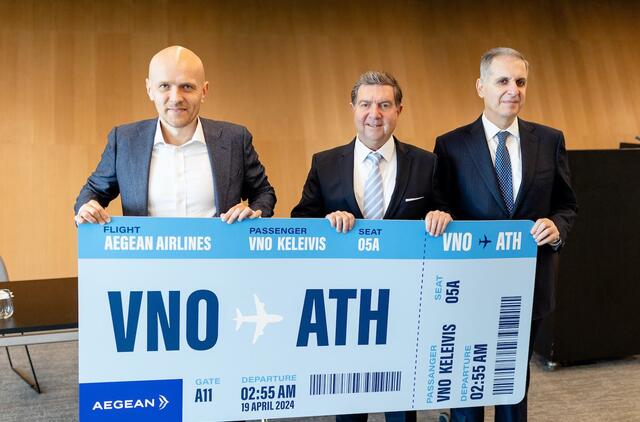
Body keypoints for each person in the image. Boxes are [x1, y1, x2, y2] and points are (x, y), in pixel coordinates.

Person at [292, 71, 452, 422]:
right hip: (345, 302)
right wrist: (327, 222)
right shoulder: (325, 163)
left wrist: (442, 215)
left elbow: (444, 210)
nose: (374, 114)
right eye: (365, 104)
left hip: (406, 300)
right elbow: (301, 220)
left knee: (401, 400)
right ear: (353, 108)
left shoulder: (426, 164)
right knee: (349, 401)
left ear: (399, 110)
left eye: (384, 105)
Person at [434, 47, 578, 422]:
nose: (513, 89)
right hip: (469, 286)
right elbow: (440, 205)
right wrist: (439, 215)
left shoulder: (550, 140)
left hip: (528, 284)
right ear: (480, 87)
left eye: (520, 81)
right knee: (466, 378)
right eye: (502, 81)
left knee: (512, 381)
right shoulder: (450, 145)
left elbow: (566, 204)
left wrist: (556, 227)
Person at [74, 46, 275, 223]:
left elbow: (263, 193)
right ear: (150, 89)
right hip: (147, 255)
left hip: (219, 255)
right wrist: (88, 207)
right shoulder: (124, 141)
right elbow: (92, 192)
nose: (176, 98)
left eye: (187, 86)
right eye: (164, 86)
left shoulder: (235, 139)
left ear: (204, 91)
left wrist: (253, 213)